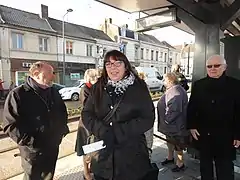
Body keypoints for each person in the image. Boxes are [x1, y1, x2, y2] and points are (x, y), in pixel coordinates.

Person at [81, 50, 156, 180]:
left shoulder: (139, 88)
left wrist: (119, 131)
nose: (113, 68)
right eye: (108, 64)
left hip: (132, 158)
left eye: (117, 63)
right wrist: (102, 130)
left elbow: (148, 118)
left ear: (125, 66)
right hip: (103, 158)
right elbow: (87, 114)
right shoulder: (98, 87)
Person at [2, 61, 69, 180]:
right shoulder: (18, 94)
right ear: (36, 74)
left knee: (48, 176)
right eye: (49, 73)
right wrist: (31, 142)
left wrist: (61, 132)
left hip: (52, 146)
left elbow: (62, 113)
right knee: (32, 177)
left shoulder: (53, 92)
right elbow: (10, 125)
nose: (53, 76)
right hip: (32, 151)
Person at [187, 55, 240, 180]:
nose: (213, 68)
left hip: (226, 136)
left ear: (225, 67)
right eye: (209, 66)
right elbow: (192, 107)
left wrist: (238, 134)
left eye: (217, 65)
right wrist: (192, 126)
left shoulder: (235, 85)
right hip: (204, 135)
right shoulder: (199, 85)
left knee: (225, 169)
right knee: (205, 168)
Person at [157, 73, 189, 172]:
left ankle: (180, 164)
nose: (163, 82)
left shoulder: (176, 91)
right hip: (171, 126)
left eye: (165, 80)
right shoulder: (173, 89)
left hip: (175, 126)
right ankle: (170, 158)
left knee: (178, 145)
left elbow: (174, 110)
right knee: (170, 142)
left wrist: (167, 120)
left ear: (170, 81)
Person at [75, 68, 101, 180]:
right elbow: (89, 107)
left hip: (96, 123)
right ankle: (86, 173)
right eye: (98, 78)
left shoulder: (96, 88)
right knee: (87, 149)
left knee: (95, 148)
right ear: (92, 78)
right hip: (87, 125)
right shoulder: (85, 89)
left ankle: (92, 170)